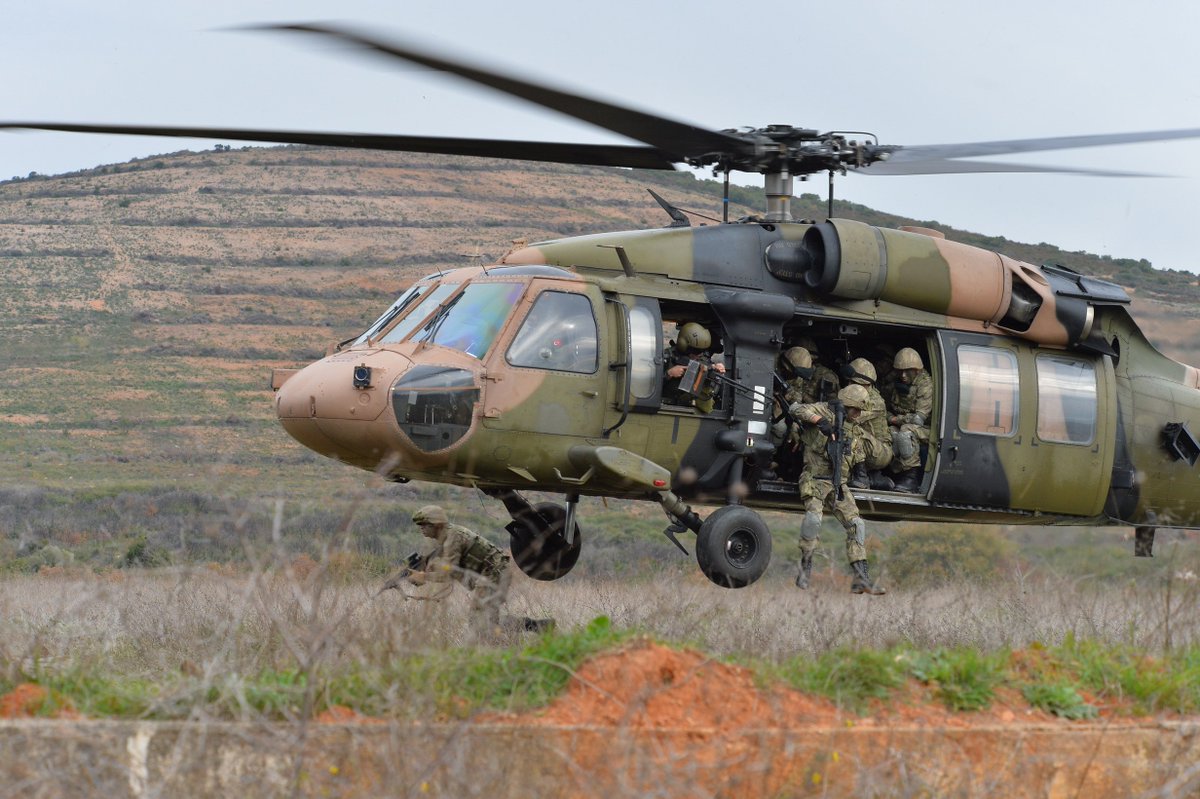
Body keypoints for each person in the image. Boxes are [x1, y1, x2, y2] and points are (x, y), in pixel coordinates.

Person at [787, 386, 886, 594]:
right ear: (847, 405)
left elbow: (856, 454)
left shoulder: (853, 427)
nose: (858, 414)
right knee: (813, 521)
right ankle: (805, 568)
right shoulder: (824, 410)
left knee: (857, 525)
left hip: (838, 483)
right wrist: (819, 421)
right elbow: (795, 409)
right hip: (815, 478)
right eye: (855, 409)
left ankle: (861, 578)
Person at [398, 504, 513, 639]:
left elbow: (449, 573)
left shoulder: (452, 538)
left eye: (424, 524)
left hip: (495, 572)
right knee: (485, 617)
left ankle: (504, 637)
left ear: (437, 524)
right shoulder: (445, 537)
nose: (421, 528)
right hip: (491, 572)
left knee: (479, 616)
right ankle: (517, 629)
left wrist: (424, 576)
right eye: (419, 525)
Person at [842, 358, 895, 491]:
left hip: (881, 452)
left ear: (866, 385)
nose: (849, 385)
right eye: (850, 381)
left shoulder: (875, 402)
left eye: (854, 383)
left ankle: (862, 478)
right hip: (868, 448)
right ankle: (871, 478)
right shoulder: (855, 395)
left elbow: (851, 418)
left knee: (850, 429)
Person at [887, 347, 934, 493]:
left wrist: (896, 419)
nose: (903, 375)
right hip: (905, 424)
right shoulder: (897, 383)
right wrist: (891, 418)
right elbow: (888, 408)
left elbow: (918, 420)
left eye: (908, 371)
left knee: (905, 432)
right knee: (891, 432)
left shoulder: (925, 385)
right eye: (900, 371)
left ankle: (911, 478)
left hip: (928, 430)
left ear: (917, 370)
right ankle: (896, 473)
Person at [663, 321, 725, 412]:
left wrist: (716, 368)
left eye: (702, 351)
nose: (699, 355)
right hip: (667, 408)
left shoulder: (702, 359)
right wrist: (669, 374)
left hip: (691, 410)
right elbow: (648, 385)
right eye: (696, 351)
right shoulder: (666, 357)